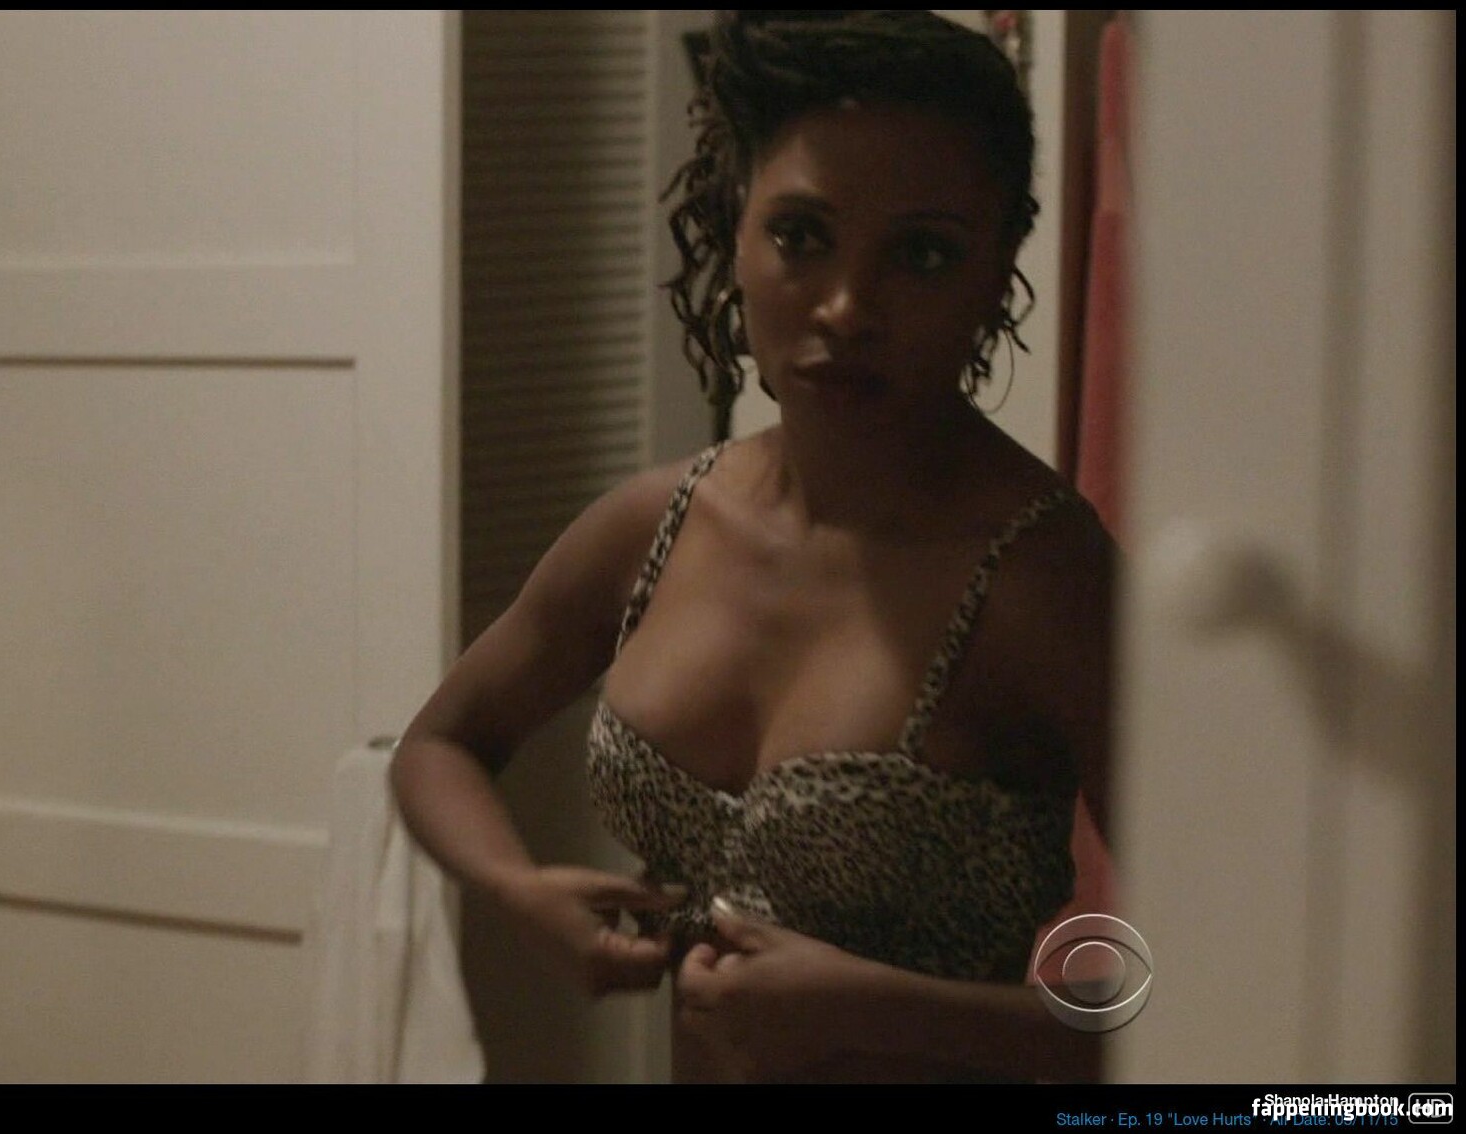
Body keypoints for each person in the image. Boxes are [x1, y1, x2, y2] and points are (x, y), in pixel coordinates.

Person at [391, 10, 1115, 1083]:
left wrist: (896, 1011)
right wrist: (519, 890)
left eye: (922, 253)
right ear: (735, 228)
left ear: (996, 269)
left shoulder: (1042, 579)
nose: (847, 307)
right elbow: (439, 745)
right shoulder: (659, 522)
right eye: (802, 236)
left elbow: (1234, 988)